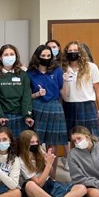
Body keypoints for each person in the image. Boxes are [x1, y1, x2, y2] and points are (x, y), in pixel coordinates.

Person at [17, 130, 89, 197]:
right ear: (25, 144)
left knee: (82, 188)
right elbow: (39, 184)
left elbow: (50, 174)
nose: (35, 144)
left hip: (49, 184)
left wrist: (49, 164)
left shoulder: (39, 150)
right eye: (32, 142)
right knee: (30, 184)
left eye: (36, 141)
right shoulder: (21, 160)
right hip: (35, 190)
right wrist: (48, 165)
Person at [27, 45, 68, 178]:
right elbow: (27, 96)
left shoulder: (57, 71)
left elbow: (64, 94)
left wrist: (66, 81)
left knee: (52, 144)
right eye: (43, 56)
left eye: (48, 56)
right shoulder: (30, 73)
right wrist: (37, 94)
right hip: (37, 107)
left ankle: (52, 176)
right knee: (34, 143)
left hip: (54, 107)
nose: (45, 58)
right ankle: (37, 175)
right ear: (37, 56)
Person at [0, 44, 34, 138]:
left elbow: (26, 97)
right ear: (0, 57)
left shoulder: (23, 75)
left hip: (19, 116)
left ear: (16, 57)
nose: (9, 57)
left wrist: (27, 115)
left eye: (12, 54)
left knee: (19, 147)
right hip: (0, 117)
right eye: (6, 54)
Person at [61, 41, 99, 141]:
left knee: (91, 138)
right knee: (72, 138)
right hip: (69, 106)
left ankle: (94, 157)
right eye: (70, 50)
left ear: (81, 52)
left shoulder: (91, 67)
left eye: (75, 50)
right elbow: (63, 93)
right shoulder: (62, 68)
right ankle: (74, 157)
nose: (73, 53)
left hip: (87, 106)